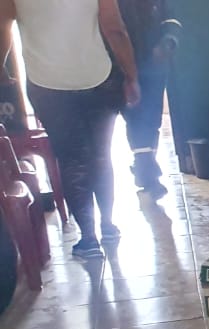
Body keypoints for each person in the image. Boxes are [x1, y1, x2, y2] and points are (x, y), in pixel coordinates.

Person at [0, 0, 141, 259]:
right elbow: (114, 28)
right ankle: (108, 225)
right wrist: (131, 75)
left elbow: (3, 27)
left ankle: (88, 239)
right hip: (97, 76)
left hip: (47, 83)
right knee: (101, 155)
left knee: (71, 159)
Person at [120, 0, 181, 200]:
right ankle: (146, 172)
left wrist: (168, 42)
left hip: (154, 65)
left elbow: (171, 18)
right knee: (135, 117)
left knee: (152, 119)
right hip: (121, 64)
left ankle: (145, 169)